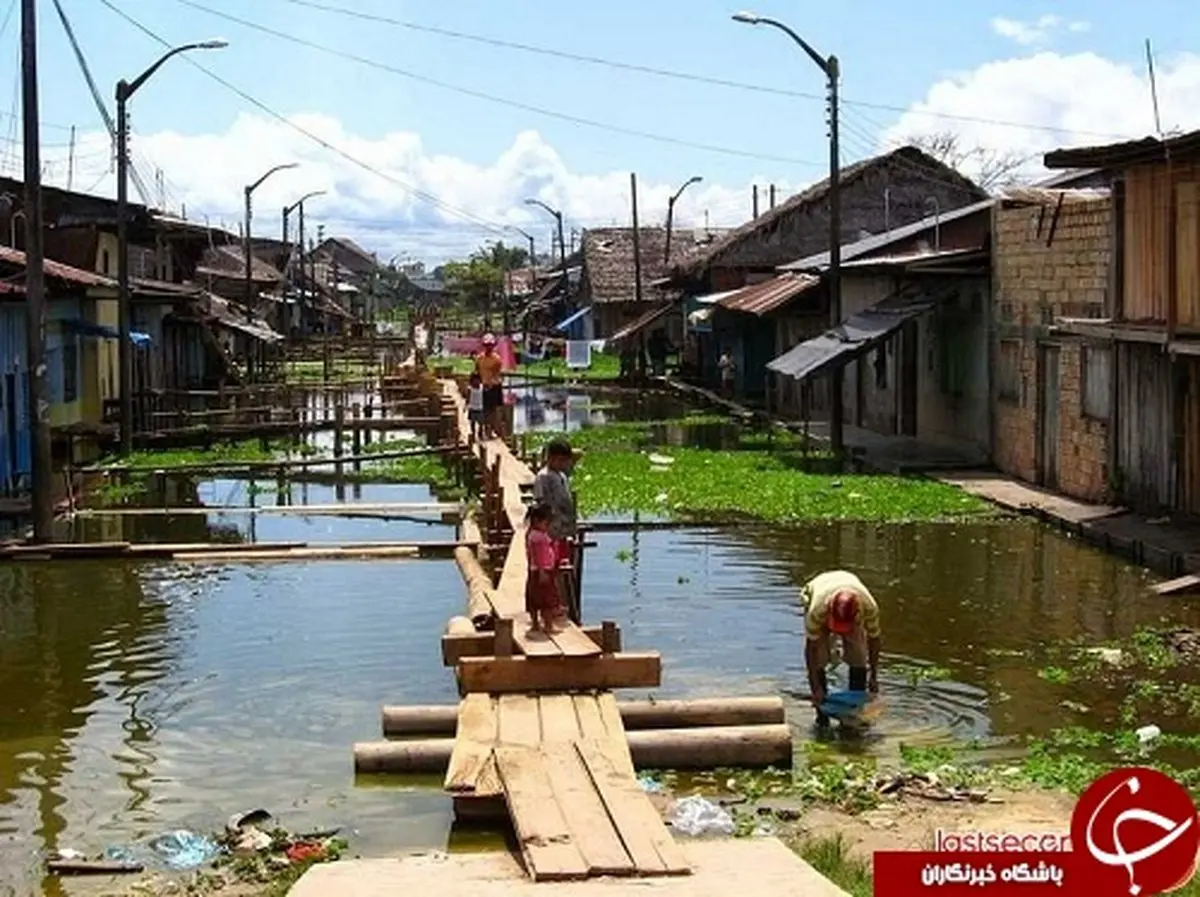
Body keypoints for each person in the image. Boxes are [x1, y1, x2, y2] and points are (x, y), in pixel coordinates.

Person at [801, 570, 882, 726]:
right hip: (819, 590)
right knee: (820, 657)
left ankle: (854, 712)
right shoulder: (817, 610)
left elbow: (874, 640)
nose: (839, 632)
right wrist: (815, 687)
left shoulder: (868, 607)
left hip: (850, 591)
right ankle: (822, 715)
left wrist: (873, 676)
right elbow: (811, 649)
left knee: (858, 655)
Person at [533, 438, 580, 623]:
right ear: (551, 458)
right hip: (550, 532)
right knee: (549, 569)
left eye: (566, 461)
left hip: (562, 530)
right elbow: (540, 503)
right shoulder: (543, 476)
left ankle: (559, 604)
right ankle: (550, 607)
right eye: (560, 460)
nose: (564, 464)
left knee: (560, 567)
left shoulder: (560, 475)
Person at [525, 503, 564, 634]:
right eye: (545, 524)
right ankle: (548, 625)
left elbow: (532, 555)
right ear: (537, 521)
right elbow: (539, 556)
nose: (546, 527)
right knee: (546, 600)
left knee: (534, 599)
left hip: (535, 570)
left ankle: (535, 624)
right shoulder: (539, 537)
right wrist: (542, 572)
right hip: (543, 571)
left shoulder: (532, 534)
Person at [474, 333, 504, 439]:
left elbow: (496, 374)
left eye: (490, 345)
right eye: (487, 345)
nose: (489, 347)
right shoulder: (479, 358)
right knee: (481, 409)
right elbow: (476, 372)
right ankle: (481, 430)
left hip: (494, 386)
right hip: (483, 385)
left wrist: (490, 384)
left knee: (492, 410)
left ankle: (490, 430)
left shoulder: (497, 359)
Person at [466, 371, 485, 441]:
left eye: (477, 380)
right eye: (474, 380)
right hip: (472, 408)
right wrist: (466, 405)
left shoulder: (481, 388)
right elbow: (467, 398)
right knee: (472, 422)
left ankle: (480, 433)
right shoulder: (470, 389)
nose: (476, 382)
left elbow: (484, 396)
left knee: (481, 423)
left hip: (480, 407)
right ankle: (473, 433)